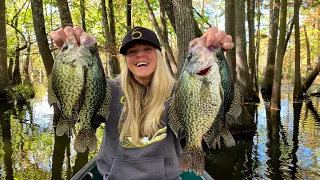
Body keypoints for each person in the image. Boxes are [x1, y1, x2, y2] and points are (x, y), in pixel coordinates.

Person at [50, 25, 233, 180]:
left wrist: (217, 58)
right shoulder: (107, 88)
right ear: (125, 59)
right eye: (132, 51)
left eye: (147, 49)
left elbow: (210, 108)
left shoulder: (182, 90)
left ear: (159, 55)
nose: (140, 55)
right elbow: (81, 103)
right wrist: (70, 59)